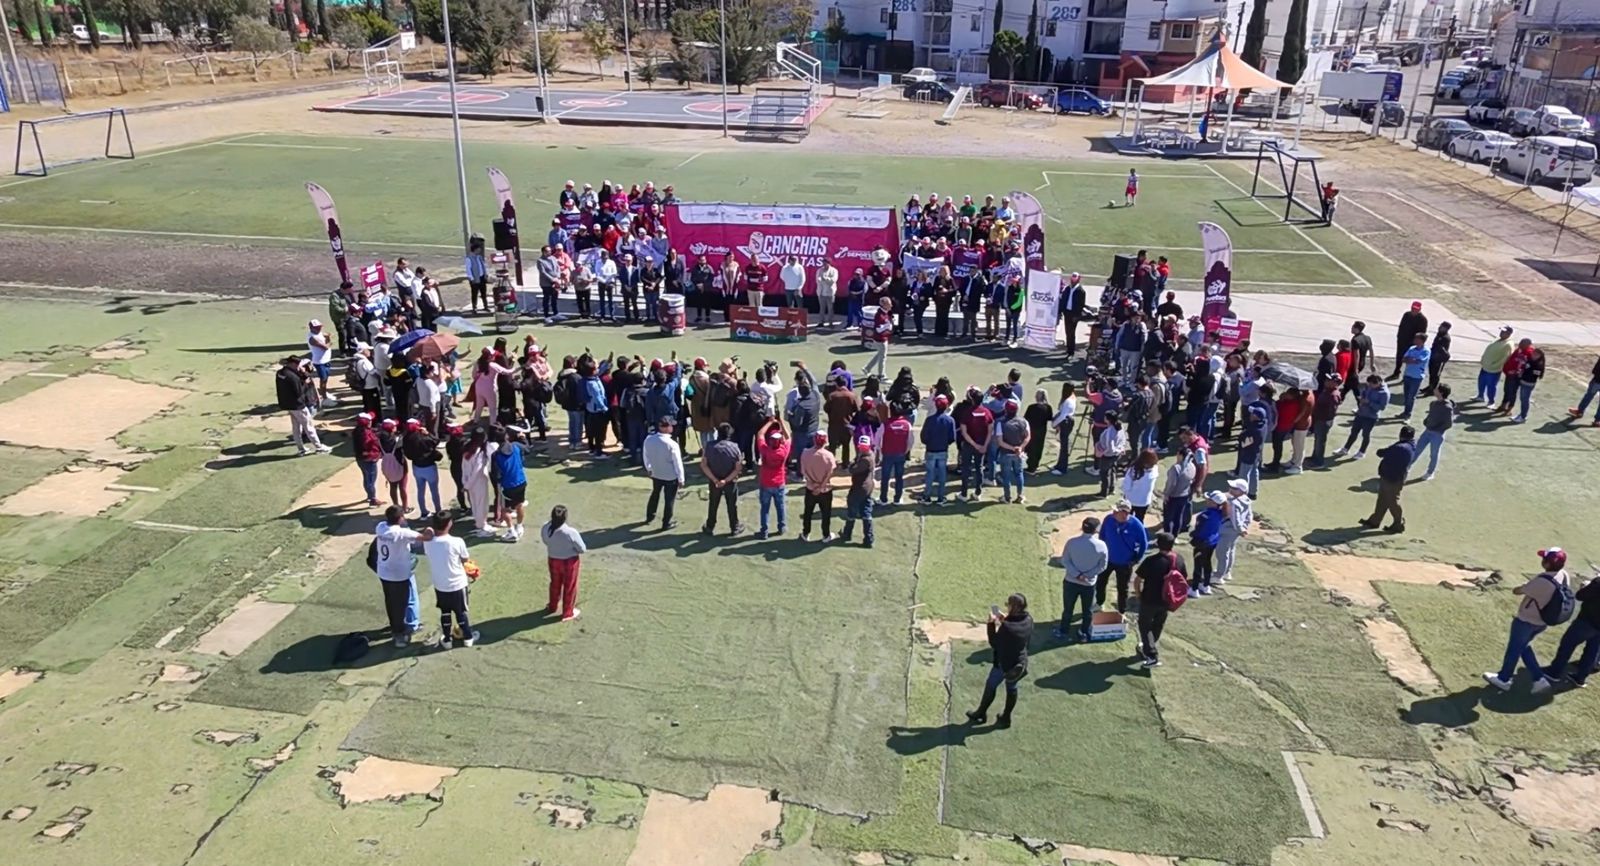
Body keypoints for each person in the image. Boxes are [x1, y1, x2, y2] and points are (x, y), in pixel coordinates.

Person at [1483, 548, 1572, 694]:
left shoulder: (1543, 581)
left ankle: (1505, 679)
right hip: (1541, 622)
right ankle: (1538, 679)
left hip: (1526, 620)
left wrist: (1526, 585)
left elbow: (1518, 591)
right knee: (1523, 646)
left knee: (1514, 649)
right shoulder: (1563, 575)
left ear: (1548, 564)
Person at [964, 593, 1033, 728]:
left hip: (1004, 663)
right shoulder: (1028, 619)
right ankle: (1006, 717)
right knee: (1012, 687)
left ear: (1013, 606)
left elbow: (994, 642)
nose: (1006, 607)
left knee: (991, 684)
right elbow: (1016, 627)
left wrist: (991, 624)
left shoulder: (1007, 627)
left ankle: (981, 713)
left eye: (1008, 605)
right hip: (1019, 662)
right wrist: (1005, 619)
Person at [373, 505, 427, 647]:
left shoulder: (380, 527)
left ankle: (396, 627)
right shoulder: (402, 533)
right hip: (398, 575)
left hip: (384, 572)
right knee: (400, 604)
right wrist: (430, 530)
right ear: (401, 518)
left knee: (391, 602)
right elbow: (424, 538)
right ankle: (399, 634)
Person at [423, 512, 478, 648]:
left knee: (445, 612)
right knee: (461, 612)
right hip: (458, 584)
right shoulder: (457, 541)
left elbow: (428, 532)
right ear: (449, 524)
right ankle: (468, 638)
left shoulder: (427, 542)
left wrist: (429, 530)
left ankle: (447, 640)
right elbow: (465, 560)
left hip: (440, 584)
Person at [1133, 532, 1185, 668]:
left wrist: (1138, 594)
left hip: (1149, 599)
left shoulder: (1151, 560)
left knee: (1145, 626)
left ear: (1157, 544)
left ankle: (1151, 655)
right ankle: (1149, 645)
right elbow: (1183, 578)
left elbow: (1137, 580)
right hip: (1167, 600)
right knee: (1158, 624)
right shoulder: (1178, 559)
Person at [1545, 561, 1600, 688]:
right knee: (1592, 652)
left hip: (1587, 621)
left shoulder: (1598, 583)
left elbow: (1580, 596)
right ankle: (1580, 678)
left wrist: (1584, 586)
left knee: (1567, 645)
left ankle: (1554, 672)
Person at [1055, 517, 1109, 642]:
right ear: (1096, 530)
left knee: (1068, 608)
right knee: (1087, 610)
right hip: (1089, 584)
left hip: (1071, 581)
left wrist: (1077, 575)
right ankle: (1083, 632)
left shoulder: (1072, 542)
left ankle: (1063, 630)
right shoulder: (1102, 545)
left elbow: (1065, 561)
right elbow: (1103, 566)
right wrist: (1088, 575)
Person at [1360, 425, 1415, 534]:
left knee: (1392, 501)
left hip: (1392, 477)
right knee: (1383, 499)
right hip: (1394, 477)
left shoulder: (1399, 447)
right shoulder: (1410, 445)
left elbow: (1382, 453)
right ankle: (1375, 520)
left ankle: (1398, 523)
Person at [1097, 501, 1148, 613]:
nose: (1113, 512)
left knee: (1122, 588)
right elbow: (1102, 536)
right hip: (1107, 560)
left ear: (1125, 513)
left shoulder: (1136, 525)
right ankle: (1099, 603)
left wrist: (1136, 559)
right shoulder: (1108, 519)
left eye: (1116, 511)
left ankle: (1122, 611)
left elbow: (1144, 544)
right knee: (1100, 582)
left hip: (1125, 563)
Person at [540, 505, 587, 623]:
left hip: (553, 559)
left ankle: (552, 606)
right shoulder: (570, 532)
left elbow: (546, 541)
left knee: (555, 584)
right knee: (569, 586)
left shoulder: (545, 528)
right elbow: (582, 549)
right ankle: (567, 612)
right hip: (569, 561)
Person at [276, 356, 330, 456]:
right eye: (297, 365)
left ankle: (301, 449)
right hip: (298, 405)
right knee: (308, 426)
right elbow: (299, 392)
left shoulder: (280, 373)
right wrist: (305, 383)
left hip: (287, 404)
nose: (298, 367)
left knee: (296, 428)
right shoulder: (293, 377)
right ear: (292, 364)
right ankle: (319, 447)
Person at [701, 422, 745, 535]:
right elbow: (737, 468)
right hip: (729, 482)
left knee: (713, 504)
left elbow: (704, 465)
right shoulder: (734, 447)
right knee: (732, 505)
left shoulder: (709, 446)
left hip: (714, 481)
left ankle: (710, 526)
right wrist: (725, 480)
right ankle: (734, 527)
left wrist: (715, 479)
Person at [643, 416, 684, 530]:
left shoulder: (648, 439)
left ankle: (650, 515)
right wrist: (681, 479)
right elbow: (677, 463)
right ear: (665, 428)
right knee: (669, 500)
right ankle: (667, 522)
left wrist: (649, 469)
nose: (672, 427)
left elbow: (646, 456)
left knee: (655, 494)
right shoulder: (672, 444)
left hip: (656, 474)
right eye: (670, 425)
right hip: (670, 477)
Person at [1334, 374, 1389, 460]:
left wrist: (1368, 402)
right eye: (1369, 384)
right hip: (1361, 413)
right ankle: (1345, 449)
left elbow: (1382, 407)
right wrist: (1361, 399)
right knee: (1354, 432)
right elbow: (1364, 392)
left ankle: (1362, 452)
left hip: (1371, 417)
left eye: (1371, 385)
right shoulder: (1369, 386)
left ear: (1378, 383)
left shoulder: (1384, 393)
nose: (1369, 386)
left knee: (1365, 435)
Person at [838, 435, 878, 547]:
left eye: (863, 446)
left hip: (859, 488)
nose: (861, 448)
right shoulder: (869, 455)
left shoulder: (865, 459)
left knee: (852, 510)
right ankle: (868, 539)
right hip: (867, 487)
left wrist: (852, 464)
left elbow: (853, 470)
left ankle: (847, 534)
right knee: (866, 511)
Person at [755, 418, 791, 539]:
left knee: (764, 508)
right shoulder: (784, 450)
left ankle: (764, 531)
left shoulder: (765, 450)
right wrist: (781, 422)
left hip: (766, 483)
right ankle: (781, 527)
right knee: (780, 506)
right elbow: (789, 437)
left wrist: (770, 422)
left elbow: (760, 434)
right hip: (779, 483)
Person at [489, 432, 529, 541]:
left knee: (504, 510)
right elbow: (527, 449)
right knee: (519, 505)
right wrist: (523, 438)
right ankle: (519, 527)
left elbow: (495, 474)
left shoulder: (496, 455)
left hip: (507, 486)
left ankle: (512, 532)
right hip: (521, 481)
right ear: (506, 436)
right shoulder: (516, 446)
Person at [1410, 383, 1454, 481]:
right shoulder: (1433, 403)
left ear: (1441, 392)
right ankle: (1407, 468)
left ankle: (1430, 472)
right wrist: (1426, 421)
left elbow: (1448, 424)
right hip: (1427, 431)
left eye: (1436, 389)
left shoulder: (1447, 408)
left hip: (1437, 435)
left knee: (1434, 454)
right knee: (1417, 450)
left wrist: (1437, 428)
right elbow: (1431, 415)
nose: (1434, 390)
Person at [1213, 479, 1253, 584]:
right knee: (1230, 551)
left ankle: (1219, 576)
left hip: (1228, 530)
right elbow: (1249, 516)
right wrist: (1244, 527)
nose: (1230, 489)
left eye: (1234, 488)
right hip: (1235, 532)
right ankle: (1227, 572)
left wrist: (1240, 529)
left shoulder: (1234, 503)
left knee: (1222, 553)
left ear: (1241, 491)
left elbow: (1235, 519)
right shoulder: (1247, 500)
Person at [799, 431, 837, 542]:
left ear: (814, 440)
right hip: (825, 490)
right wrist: (821, 486)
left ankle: (806, 533)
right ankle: (826, 535)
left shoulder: (805, 453)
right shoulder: (829, 456)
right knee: (826, 514)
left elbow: (803, 471)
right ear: (825, 441)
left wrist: (813, 484)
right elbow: (829, 473)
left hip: (810, 488)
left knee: (808, 512)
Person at [402, 418, 443, 519]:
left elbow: (407, 454)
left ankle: (423, 512)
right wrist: (427, 433)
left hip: (416, 467)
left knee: (420, 490)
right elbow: (436, 441)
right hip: (429, 467)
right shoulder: (424, 438)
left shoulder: (405, 438)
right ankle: (438, 511)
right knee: (434, 491)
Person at [920, 394, 957, 505]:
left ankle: (927, 496)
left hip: (931, 450)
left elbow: (924, 437)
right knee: (942, 474)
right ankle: (941, 497)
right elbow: (952, 438)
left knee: (930, 474)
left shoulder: (930, 420)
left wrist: (929, 443)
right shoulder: (950, 420)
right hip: (943, 450)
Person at [1188, 491, 1225, 597]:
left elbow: (1199, 529)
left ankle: (1194, 589)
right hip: (1212, 543)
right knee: (1207, 563)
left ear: (1214, 503)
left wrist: (1193, 535)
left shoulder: (1205, 515)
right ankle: (1205, 585)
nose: (1207, 500)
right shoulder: (1220, 514)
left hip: (1202, 543)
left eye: (1209, 499)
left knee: (1198, 565)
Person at [959, 389, 994, 501]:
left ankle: (963, 494)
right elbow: (990, 431)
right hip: (982, 444)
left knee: (966, 468)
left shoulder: (967, 412)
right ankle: (978, 493)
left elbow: (964, 432)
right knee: (979, 468)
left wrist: (974, 444)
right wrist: (984, 445)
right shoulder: (987, 412)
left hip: (969, 445)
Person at [996, 399, 1031, 504]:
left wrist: (1012, 448)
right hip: (1018, 454)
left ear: (1005, 410)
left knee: (1006, 475)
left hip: (1006, 453)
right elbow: (1028, 436)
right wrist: (1020, 448)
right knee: (1019, 473)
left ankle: (1007, 497)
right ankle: (1020, 495)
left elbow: (1000, 442)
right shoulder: (1024, 421)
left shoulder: (1000, 423)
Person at [1158, 443, 1196, 537]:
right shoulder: (1192, 467)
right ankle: (1175, 535)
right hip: (1184, 495)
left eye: (1178, 454)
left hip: (1173, 497)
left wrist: (1166, 495)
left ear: (1181, 455)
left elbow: (1172, 484)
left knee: (1168, 518)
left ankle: (1167, 536)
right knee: (1178, 516)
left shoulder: (1176, 468)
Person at [461, 428, 494, 537]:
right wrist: (468, 484)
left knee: (475, 504)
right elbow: (477, 470)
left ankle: (479, 523)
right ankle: (481, 527)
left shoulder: (467, 448)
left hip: (469, 481)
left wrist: (465, 483)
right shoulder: (480, 452)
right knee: (482, 505)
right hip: (478, 481)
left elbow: (464, 468)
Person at [879, 406, 913, 506]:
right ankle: (897, 499)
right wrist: (905, 451)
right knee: (899, 477)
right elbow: (910, 441)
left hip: (887, 454)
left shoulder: (885, 424)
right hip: (900, 454)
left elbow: (878, 440)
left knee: (885, 477)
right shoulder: (907, 424)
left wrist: (881, 452)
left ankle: (883, 499)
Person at [1306, 374, 1341, 469]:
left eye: (1329, 380)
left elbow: (1331, 412)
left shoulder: (1333, 395)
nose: (1326, 381)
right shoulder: (1327, 390)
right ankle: (1315, 457)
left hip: (1323, 421)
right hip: (1319, 419)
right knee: (1317, 440)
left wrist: (1321, 416)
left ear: (1335, 383)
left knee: (1320, 442)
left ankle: (1319, 462)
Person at [1388, 302, 1429, 381]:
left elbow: (1421, 334)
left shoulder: (1423, 319)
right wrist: (1399, 337)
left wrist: (1415, 343)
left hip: (1412, 343)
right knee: (1399, 356)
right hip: (1402, 340)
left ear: (1419, 309)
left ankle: (1407, 375)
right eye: (1413, 308)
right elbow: (1401, 326)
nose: (1414, 310)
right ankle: (1396, 372)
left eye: (1416, 309)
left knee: (1409, 359)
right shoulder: (1406, 315)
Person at [1478, 326, 1515, 404]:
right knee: (1481, 382)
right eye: (1501, 331)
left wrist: (1494, 366)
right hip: (1485, 366)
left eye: (1504, 332)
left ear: (1508, 334)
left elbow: (1505, 359)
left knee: (1491, 386)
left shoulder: (1508, 345)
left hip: (1493, 370)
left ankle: (1491, 401)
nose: (1501, 333)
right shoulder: (1497, 340)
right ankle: (1480, 396)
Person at [1397, 332, 1430, 420]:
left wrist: (1411, 359)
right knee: (1406, 395)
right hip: (1407, 374)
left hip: (1417, 376)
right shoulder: (1411, 348)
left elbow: (1419, 361)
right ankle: (1405, 412)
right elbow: (1404, 359)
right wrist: (1412, 360)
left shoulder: (1426, 351)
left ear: (1422, 341)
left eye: (1416, 338)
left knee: (1411, 396)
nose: (1414, 340)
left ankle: (1408, 414)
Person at [1120, 449, 1159, 521]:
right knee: (1140, 519)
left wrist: (1124, 492)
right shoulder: (1155, 469)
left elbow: (1127, 486)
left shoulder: (1133, 470)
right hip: (1144, 501)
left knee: (1126, 519)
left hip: (1130, 500)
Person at [353, 413, 381, 507]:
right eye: (370, 420)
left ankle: (370, 496)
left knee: (366, 478)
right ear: (367, 422)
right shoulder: (365, 433)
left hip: (360, 459)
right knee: (371, 480)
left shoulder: (357, 430)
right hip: (369, 459)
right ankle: (373, 499)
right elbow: (366, 443)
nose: (371, 421)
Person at [305, 319, 335, 406]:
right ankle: (324, 399)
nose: (319, 329)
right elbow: (325, 347)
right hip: (320, 362)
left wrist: (327, 337)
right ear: (311, 328)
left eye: (320, 327)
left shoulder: (319, 334)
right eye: (317, 327)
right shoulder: (312, 338)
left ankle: (324, 393)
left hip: (326, 360)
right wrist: (329, 339)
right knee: (323, 380)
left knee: (325, 379)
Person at [1049, 383, 1077, 475]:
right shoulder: (1072, 397)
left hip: (1066, 422)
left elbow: (1062, 416)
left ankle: (1062, 469)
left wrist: (1054, 424)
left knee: (1064, 447)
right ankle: (1059, 465)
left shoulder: (1068, 401)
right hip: (1067, 422)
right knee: (1063, 445)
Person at [1023, 389, 1053, 473]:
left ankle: (1031, 467)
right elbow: (1049, 418)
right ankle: (1036, 465)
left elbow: (1025, 418)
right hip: (1042, 430)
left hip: (1032, 429)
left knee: (1031, 447)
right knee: (1039, 447)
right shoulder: (1048, 407)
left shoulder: (1031, 407)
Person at [1568, 354, 1600, 427]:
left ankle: (1580, 412)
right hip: (1597, 380)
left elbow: (1596, 369)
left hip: (1597, 380)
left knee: (1588, 396)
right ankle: (1597, 420)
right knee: (1588, 396)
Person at [865, 298, 893, 378]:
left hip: (884, 338)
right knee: (882, 358)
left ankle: (867, 368)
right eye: (889, 304)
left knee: (880, 355)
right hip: (880, 339)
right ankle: (881, 376)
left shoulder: (886, 313)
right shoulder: (879, 315)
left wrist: (889, 326)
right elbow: (878, 329)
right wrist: (886, 326)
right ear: (884, 305)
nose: (891, 305)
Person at [1422, 321, 1452, 396]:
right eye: (1440, 326)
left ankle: (1433, 389)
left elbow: (1443, 350)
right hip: (1434, 357)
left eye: (1442, 327)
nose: (1440, 327)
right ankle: (1430, 386)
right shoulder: (1439, 334)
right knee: (1432, 373)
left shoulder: (1445, 338)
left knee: (1436, 375)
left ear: (1446, 329)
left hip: (1439, 360)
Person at [816, 260, 839, 327]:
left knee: (830, 308)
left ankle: (830, 322)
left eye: (826, 263)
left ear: (829, 263)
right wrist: (822, 280)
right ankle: (821, 322)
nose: (824, 265)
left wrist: (825, 279)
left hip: (830, 293)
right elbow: (818, 280)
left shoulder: (834, 271)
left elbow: (833, 280)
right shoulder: (819, 270)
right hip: (821, 292)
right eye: (823, 263)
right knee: (822, 308)